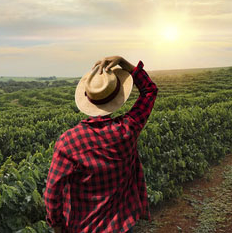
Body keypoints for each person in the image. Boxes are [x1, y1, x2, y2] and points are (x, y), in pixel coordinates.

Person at [43, 56, 158, 233]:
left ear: (87, 99)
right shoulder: (127, 130)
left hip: (83, 227)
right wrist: (123, 62)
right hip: (122, 224)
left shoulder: (68, 142)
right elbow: (149, 91)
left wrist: (57, 224)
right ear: (118, 97)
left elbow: (52, 192)